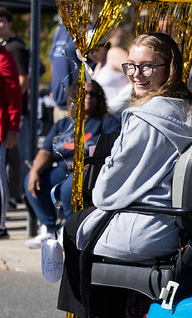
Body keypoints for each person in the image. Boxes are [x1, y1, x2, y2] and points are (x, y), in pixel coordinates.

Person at [57, 32, 192, 318]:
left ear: (170, 68)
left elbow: (109, 191)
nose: (137, 74)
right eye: (131, 66)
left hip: (150, 226)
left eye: (148, 67)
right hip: (177, 225)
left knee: (73, 229)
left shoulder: (147, 118)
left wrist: (102, 182)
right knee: (92, 226)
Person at [25, 80, 121, 248]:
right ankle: (47, 229)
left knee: (70, 186)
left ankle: (68, 230)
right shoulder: (63, 125)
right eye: (83, 94)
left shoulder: (108, 122)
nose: (88, 97)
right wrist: (34, 170)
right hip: (64, 169)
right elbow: (46, 151)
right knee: (32, 179)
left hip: (90, 171)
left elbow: (112, 153)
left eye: (92, 94)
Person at [0, 7, 30, 205]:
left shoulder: (12, 49)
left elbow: (21, 82)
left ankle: (12, 198)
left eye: (1, 20)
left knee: (13, 160)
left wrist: (13, 123)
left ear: (9, 23)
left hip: (9, 118)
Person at [0, 42, 22, 239]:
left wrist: (13, 128)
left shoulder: (4, 58)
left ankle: (0, 225)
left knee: (0, 176)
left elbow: (14, 96)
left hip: (1, 128)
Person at [49, 22, 80, 123]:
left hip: (75, 107)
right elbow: (53, 61)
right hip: (58, 106)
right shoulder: (60, 30)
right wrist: (53, 89)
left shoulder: (86, 30)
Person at [90, 39, 131, 114]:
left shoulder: (113, 53)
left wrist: (114, 106)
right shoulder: (99, 65)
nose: (91, 55)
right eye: (87, 53)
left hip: (121, 113)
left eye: (95, 50)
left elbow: (136, 78)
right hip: (109, 116)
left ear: (105, 46)